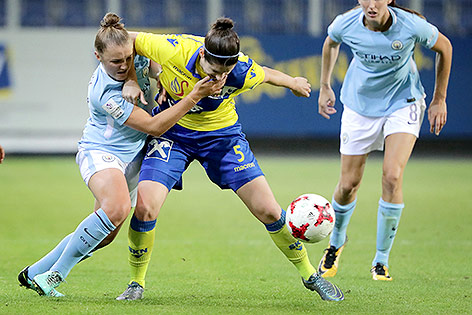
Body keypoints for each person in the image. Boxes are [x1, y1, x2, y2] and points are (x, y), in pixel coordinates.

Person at [116, 17, 344, 302]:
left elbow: (268, 74)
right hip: (173, 134)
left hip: (222, 138)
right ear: (202, 56)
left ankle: (311, 275)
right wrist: (131, 79)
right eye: (213, 71)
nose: (219, 78)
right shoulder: (173, 48)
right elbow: (123, 39)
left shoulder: (241, 70)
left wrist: (294, 83)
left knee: (269, 210)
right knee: (146, 207)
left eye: (226, 71)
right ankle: (136, 282)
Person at [17, 12, 225, 297]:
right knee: (115, 209)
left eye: (127, 58)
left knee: (103, 234)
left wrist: (157, 79)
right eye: (116, 61)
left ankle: (34, 272)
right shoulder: (106, 93)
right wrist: (192, 97)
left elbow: (161, 67)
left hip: (133, 158)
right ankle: (55, 276)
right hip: (102, 153)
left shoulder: (133, 59)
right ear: (97, 56)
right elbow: (154, 125)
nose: (124, 65)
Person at [316, 0, 452, 281]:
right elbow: (330, 43)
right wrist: (325, 85)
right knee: (347, 185)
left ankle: (381, 261)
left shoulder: (410, 25)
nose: (372, 4)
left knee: (392, 176)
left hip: (403, 102)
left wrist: (439, 99)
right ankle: (335, 243)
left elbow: (445, 48)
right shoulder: (346, 23)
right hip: (359, 106)